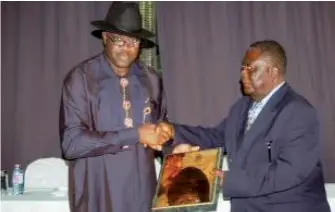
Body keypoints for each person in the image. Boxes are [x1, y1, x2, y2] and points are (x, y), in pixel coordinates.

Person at [157, 40, 331, 212]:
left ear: (273, 72)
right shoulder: (241, 107)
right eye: (242, 68)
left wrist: (228, 181)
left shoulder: (299, 112)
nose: (243, 74)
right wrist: (174, 132)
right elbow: (216, 137)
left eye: (251, 68)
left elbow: (288, 173)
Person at [59, 2, 168, 212]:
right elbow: (72, 144)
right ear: (105, 37)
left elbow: (159, 128)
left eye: (133, 41)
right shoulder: (81, 79)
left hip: (142, 196)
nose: (126, 48)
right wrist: (134, 134)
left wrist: (170, 141)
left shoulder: (151, 79)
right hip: (98, 195)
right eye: (119, 40)